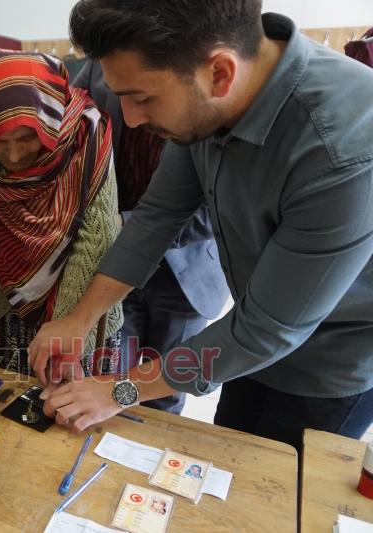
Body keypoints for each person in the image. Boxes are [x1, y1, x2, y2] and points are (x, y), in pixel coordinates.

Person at [30, 0, 373, 451]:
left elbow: (265, 332)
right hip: (249, 347)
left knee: (274, 506)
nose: (130, 119)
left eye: (143, 97)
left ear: (220, 74)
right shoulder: (212, 100)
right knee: (229, 461)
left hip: (329, 369)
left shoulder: (343, 149)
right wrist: (80, 318)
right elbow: (157, 216)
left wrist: (119, 390)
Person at [0, 50, 123, 377]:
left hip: (75, 306)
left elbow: (95, 237)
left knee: (68, 410)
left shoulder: (87, 132)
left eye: (27, 137)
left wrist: (63, 331)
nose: (14, 154)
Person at [72, 59, 230, 414]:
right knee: (112, 372)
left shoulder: (215, 116)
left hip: (184, 277)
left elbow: (193, 368)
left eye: (143, 98)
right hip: (115, 261)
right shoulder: (104, 68)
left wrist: (126, 224)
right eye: (123, 95)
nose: (131, 116)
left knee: (162, 393)